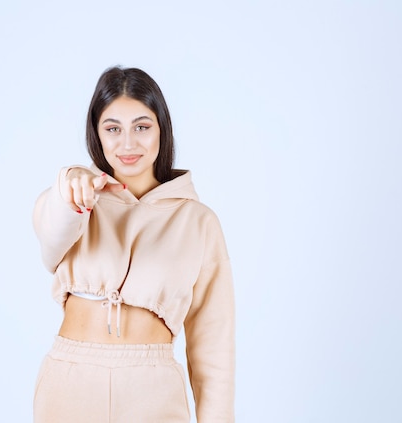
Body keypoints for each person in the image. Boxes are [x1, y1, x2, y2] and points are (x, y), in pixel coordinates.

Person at [32, 66, 235, 422]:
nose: (128, 144)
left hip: (152, 391)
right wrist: (69, 184)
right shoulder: (74, 200)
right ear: (96, 134)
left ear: (161, 130)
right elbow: (51, 240)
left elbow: (213, 349)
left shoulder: (198, 222)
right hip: (71, 384)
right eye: (113, 129)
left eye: (142, 127)